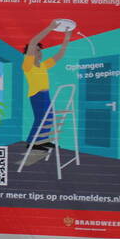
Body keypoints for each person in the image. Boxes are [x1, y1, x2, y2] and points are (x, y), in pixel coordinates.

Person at [21, 20, 72, 164]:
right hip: (36, 95)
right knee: (40, 119)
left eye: (40, 50)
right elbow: (32, 43)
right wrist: (50, 28)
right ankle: (32, 142)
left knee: (48, 118)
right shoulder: (27, 65)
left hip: (46, 94)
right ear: (29, 53)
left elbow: (60, 54)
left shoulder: (43, 65)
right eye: (37, 50)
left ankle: (41, 141)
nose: (39, 52)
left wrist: (67, 36)